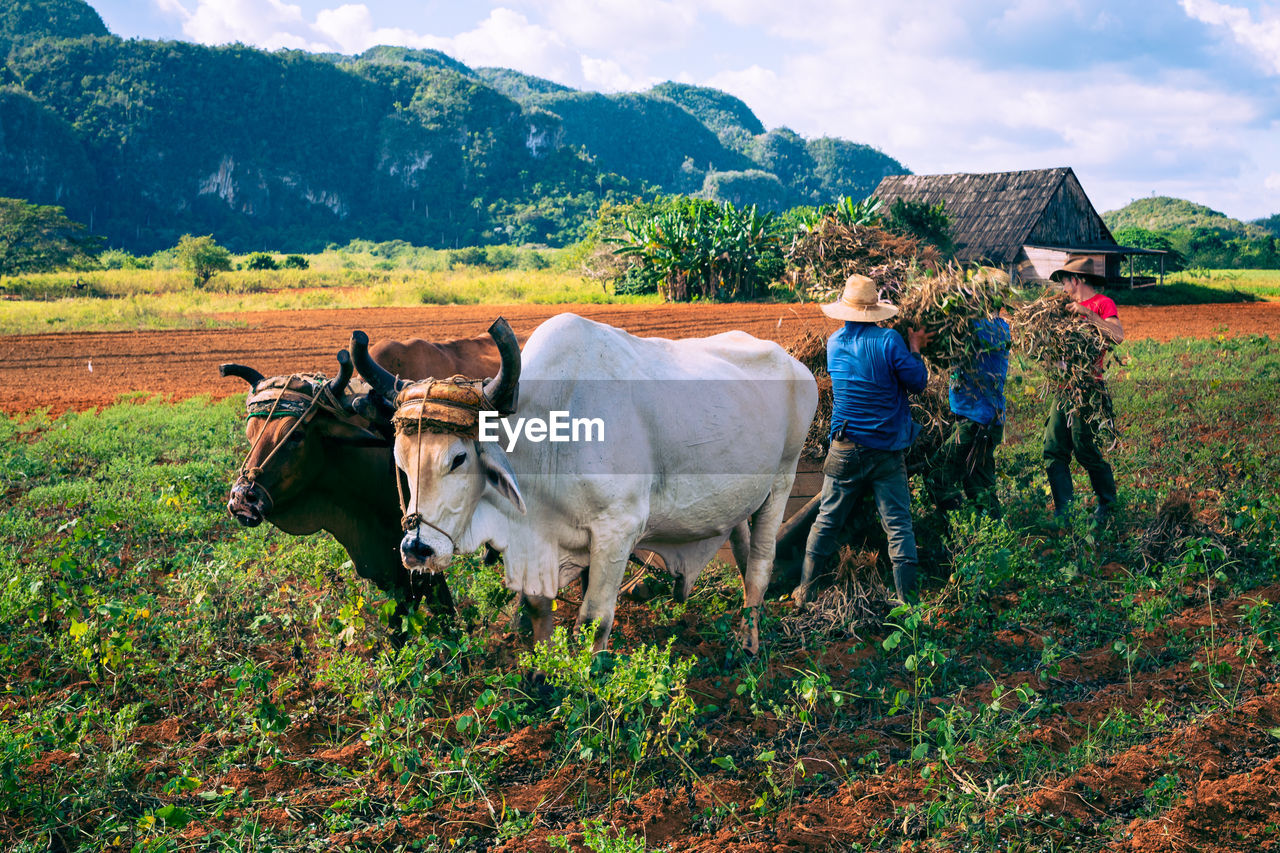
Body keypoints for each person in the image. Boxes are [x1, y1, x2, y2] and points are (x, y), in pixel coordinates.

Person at [794, 274, 932, 608]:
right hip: (885, 451)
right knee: (898, 525)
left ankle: (806, 592)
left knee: (827, 520)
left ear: (844, 310)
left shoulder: (834, 343)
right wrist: (915, 347)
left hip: (844, 448)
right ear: (874, 310)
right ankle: (909, 604)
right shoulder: (889, 342)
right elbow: (917, 382)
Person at [1044, 257, 1125, 522]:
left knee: (1084, 448)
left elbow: (1117, 336)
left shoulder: (1102, 304)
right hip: (1062, 387)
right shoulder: (1063, 308)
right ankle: (1063, 512)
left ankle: (1107, 503)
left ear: (1076, 279)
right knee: (1053, 448)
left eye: (1065, 281)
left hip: (1087, 387)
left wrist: (1087, 314)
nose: (1063, 287)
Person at [930, 310, 1011, 520]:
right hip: (975, 418)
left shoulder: (990, 328)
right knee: (978, 484)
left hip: (978, 422)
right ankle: (989, 532)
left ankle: (953, 522)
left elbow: (945, 334)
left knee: (938, 471)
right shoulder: (977, 325)